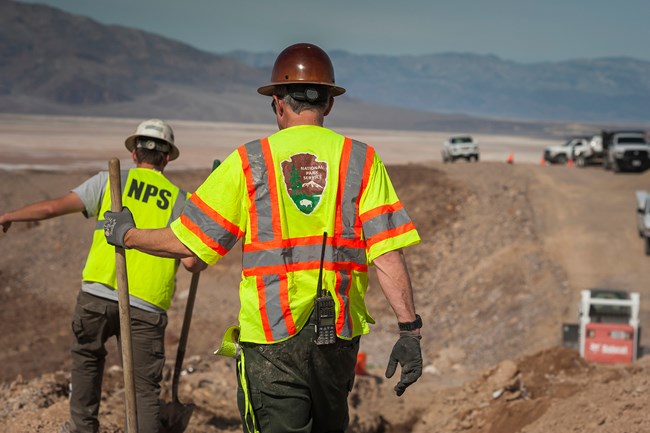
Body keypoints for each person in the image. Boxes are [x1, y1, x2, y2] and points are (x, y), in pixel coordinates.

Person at [104, 43, 423, 433]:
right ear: (329, 104)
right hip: (337, 331)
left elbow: (187, 243)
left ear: (278, 103)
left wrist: (127, 234)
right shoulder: (361, 160)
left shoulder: (249, 160)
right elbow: (388, 253)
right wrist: (409, 331)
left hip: (272, 335)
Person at [0, 118, 204, 433]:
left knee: (86, 362)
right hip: (147, 305)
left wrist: (9, 215)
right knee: (144, 386)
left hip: (95, 296)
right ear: (166, 157)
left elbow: (54, 207)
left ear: (135, 154)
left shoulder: (110, 181)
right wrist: (202, 259)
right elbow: (192, 262)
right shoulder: (181, 201)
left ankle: (83, 427)